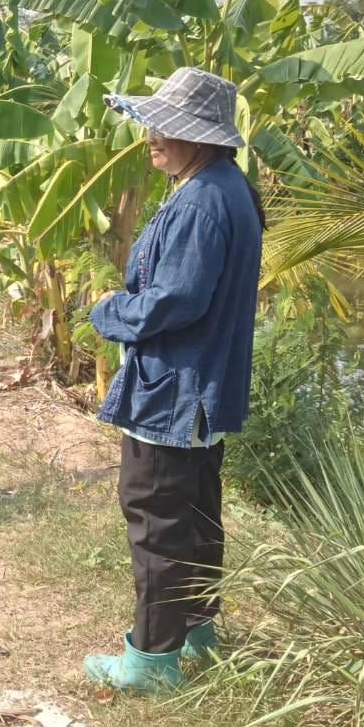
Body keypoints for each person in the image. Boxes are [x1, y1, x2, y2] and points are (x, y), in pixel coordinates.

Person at [82, 67, 266, 692]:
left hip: (176, 389)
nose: (152, 137)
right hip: (199, 389)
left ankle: (151, 661)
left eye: (167, 127)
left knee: (156, 516)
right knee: (194, 513)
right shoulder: (225, 187)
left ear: (204, 136)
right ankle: (196, 631)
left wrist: (109, 310)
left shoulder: (203, 199)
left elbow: (175, 300)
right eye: (152, 124)